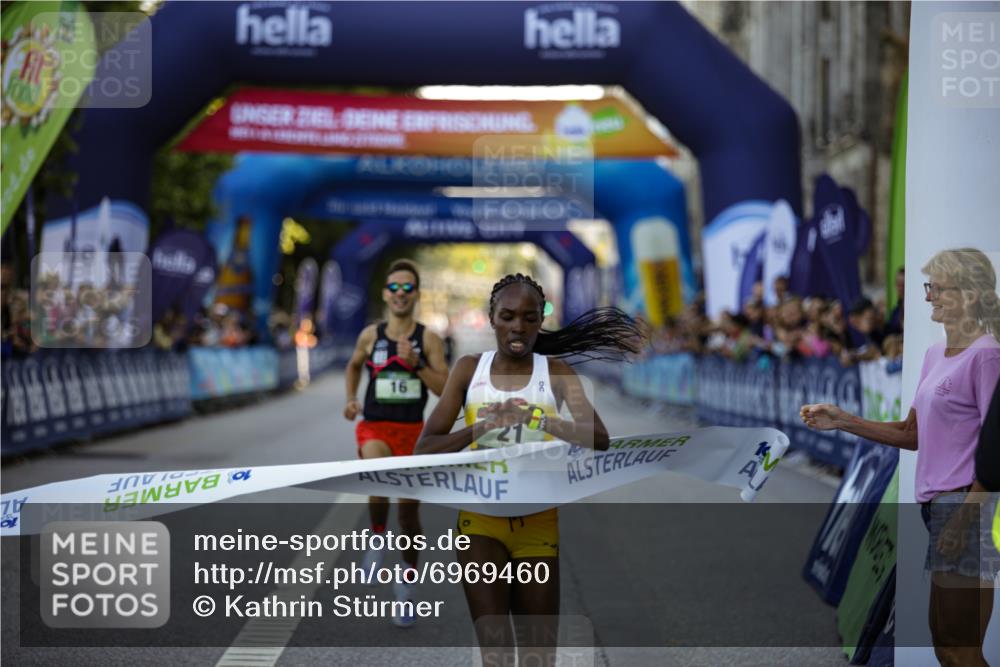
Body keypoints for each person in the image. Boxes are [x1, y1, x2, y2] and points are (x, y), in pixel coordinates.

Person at [415, 273, 644, 667]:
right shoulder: (470, 370)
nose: (518, 327)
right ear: (492, 318)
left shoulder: (555, 374)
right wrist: (480, 427)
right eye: (507, 316)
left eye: (529, 317)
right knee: (496, 655)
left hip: (538, 526)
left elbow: (599, 437)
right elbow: (426, 446)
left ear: (540, 321)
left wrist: (540, 419)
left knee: (538, 656)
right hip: (480, 524)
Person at [800, 248, 1000, 666]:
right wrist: (842, 420)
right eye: (930, 287)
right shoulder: (934, 354)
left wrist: (965, 517)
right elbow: (911, 434)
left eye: (939, 288)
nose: (929, 297)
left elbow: (997, 447)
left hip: (965, 505)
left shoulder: (987, 355)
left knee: (961, 649)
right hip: (937, 507)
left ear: (970, 295)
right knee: (946, 645)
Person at [343, 259, 448, 627]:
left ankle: (407, 586)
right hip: (375, 428)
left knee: (408, 514)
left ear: (416, 294)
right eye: (394, 288)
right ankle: (376, 538)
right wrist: (351, 399)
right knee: (376, 475)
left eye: (408, 288)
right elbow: (354, 365)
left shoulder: (428, 338)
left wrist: (416, 364)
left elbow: (445, 390)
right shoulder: (371, 336)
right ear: (386, 294)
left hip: (413, 434)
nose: (401, 294)